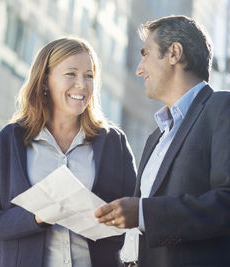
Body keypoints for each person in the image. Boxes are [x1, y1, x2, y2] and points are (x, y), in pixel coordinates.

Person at [0, 37, 137, 267]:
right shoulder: (11, 141)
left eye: (89, 76)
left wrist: (114, 218)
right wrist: (37, 217)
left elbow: (136, 217)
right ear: (45, 81)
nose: (81, 84)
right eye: (71, 74)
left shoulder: (112, 143)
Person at [94, 15, 230, 267]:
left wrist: (144, 213)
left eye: (145, 54)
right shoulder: (155, 138)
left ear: (174, 53)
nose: (139, 68)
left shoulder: (223, 109)